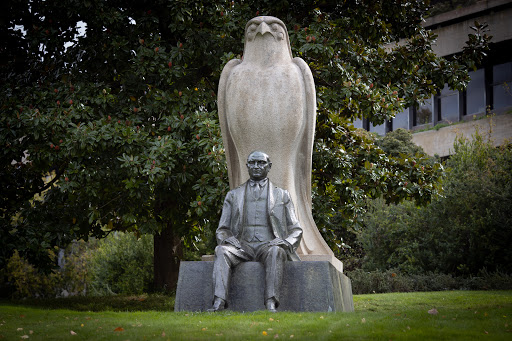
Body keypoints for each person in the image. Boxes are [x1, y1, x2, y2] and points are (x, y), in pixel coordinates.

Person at [209, 151, 303, 312]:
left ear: (269, 166)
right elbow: (222, 229)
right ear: (247, 166)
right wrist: (227, 238)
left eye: (261, 163)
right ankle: (219, 301)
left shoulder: (282, 195)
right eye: (252, 163)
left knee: (276, 252)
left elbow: (296, 229)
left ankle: (271, 302)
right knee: (221, 250)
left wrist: (286, 242)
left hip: (267, 244)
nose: (256, 166)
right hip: (241, 246)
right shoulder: (233, 195)